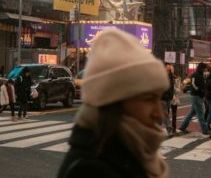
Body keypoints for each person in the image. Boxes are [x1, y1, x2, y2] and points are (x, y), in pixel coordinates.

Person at [57, 29, 169, 178]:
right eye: (148, 99)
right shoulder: (91, 171)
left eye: (159, 98)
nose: (159, 113)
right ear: (115, 102)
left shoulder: (131, 150)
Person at [178, 63, 209, 134]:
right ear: (201, 68)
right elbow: (193, 85)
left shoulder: (200, 75)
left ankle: (182, 127)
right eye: (204, 68)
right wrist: (200, 90)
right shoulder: (196, 75)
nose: (205, 70)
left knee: (191, 113)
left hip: (198, 95)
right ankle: (205, 130)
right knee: (200, 113)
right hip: (196, 96)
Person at [161, 65, 175, 134]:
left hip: (166, 97)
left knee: (165, 113)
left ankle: (160, 126)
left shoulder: (170, 77)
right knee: (165, 113)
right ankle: (168, 128)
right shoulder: (168, 77)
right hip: (165, 97)